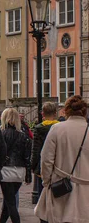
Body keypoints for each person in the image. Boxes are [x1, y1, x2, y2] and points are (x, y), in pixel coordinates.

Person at [35, 95, 89, 223]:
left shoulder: (57, 129)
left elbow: (46, 159)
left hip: (61, 187)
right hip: (85, 190)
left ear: (66, 111)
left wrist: (47, 181)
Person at [0, 108, 31, 223]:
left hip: (5, 171)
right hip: (19, 171)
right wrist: (28, 175)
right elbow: (27, 157)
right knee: (9, 202)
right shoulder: (23, 135)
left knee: (10, 203)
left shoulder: (0, 134)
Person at [30, 102, 58, 203]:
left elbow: (35, 150)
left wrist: (33, 166)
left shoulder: (39, 128)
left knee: (42, 195)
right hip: (58, 165)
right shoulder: (60, 127)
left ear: (43, 114)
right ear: (55, 113)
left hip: (42, 166)